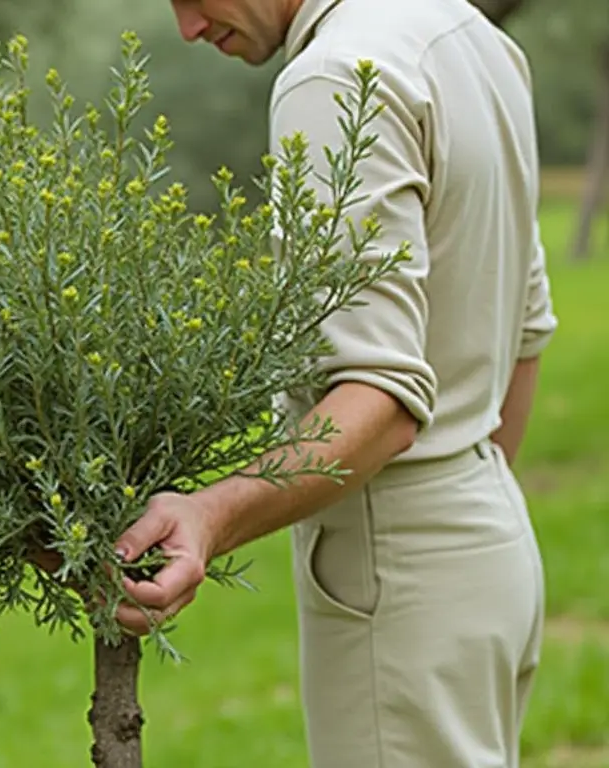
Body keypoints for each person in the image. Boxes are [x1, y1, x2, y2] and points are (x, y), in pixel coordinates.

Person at [112, 0, 558, 765]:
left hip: (399, 573)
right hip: (493, 543)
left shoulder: (330, 77)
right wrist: (464, 507)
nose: (187, 27)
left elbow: (379, 402)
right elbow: (526, 329)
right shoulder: (468, 35)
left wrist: (209, 516)